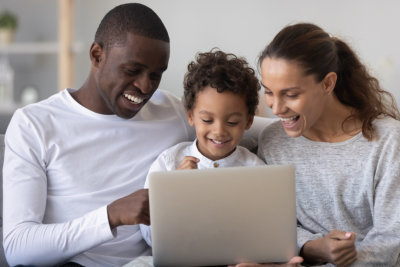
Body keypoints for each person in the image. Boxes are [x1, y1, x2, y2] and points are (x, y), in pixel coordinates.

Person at [2, 3, 196, 266]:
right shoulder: (34, 125)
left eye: (155, 75)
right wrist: (110, 216)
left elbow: (246, 125)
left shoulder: (172, 112)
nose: (144, 86)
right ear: (96, 55)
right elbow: (17, 247)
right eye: (132, 70)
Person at [257, 22, 400, 266]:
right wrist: (316, 248)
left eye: (291, 94)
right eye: (269, 92)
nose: (276, 108)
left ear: (327, 83)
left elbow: (391, 239)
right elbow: (274, 224)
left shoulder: (388, 140)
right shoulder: (272, 142)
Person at [139, 49, 265, 246]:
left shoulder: (257, 170)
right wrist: (175, 191)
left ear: (248, 121)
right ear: (190, 116)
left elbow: (266, 230)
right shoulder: (169, 162)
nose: (219, 131)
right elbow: (150, 235)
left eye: (232, 122)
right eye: (207, 120)